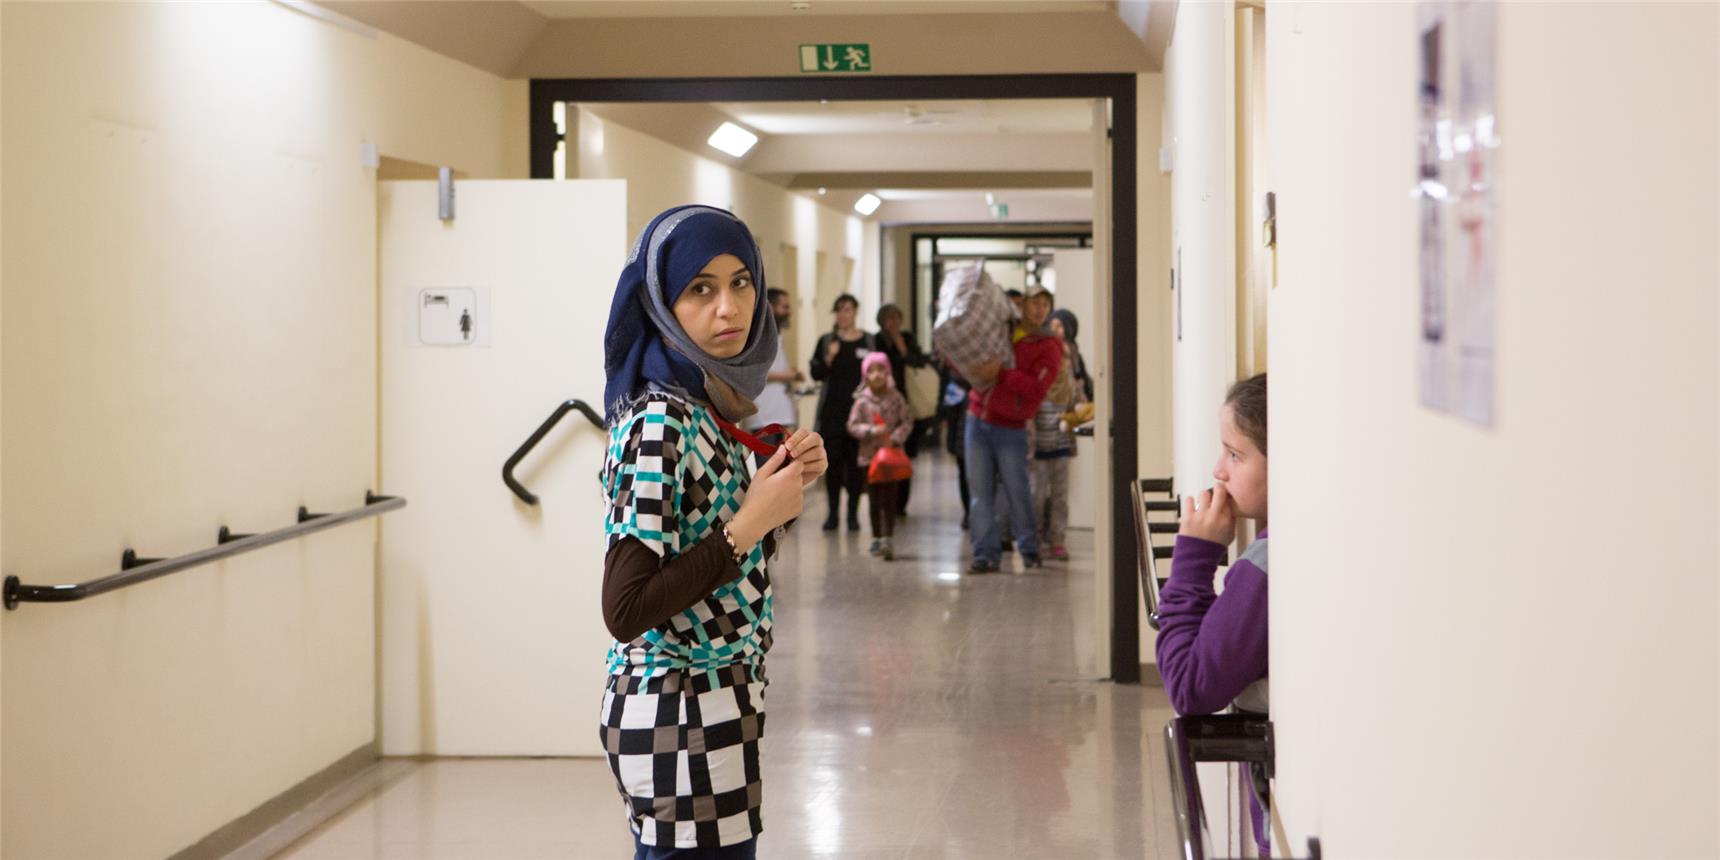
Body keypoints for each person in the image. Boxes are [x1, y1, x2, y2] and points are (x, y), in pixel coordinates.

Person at [597, 204, 829, 860]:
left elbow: (723, 564)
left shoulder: (705, 405)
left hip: (720, 703)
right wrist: (750, 520)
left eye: (741, 283)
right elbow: (626, 606)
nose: (728, 308)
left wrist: (780, 490)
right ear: (663, 304)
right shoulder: (658, 424)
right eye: (700, 289)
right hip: (676, 712)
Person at [1154, 372, 1269, 857]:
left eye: (1235, 454)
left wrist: (1194, 558)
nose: (1218, 470)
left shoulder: (1265, 570)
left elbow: (1189, 686)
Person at [963, 283, 1061, 573]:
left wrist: (1002, 373)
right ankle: (985, 554)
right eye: (1034, 303)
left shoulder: (1049, 346)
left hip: (1012, 427)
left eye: (1045, 304)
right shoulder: (1002, 330)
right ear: (1022, 305)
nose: (1039, 309)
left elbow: (1035, 388)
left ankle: (1029, 548)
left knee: (1017, 490)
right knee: (979, 492)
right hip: (977, 419)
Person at [810, 294, 874, 532]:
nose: (844, 314)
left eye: (848, 309)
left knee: (856, 466)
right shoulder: (827, 341)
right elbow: (816, 374)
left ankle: (853, 515)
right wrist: (829, 357)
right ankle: (833, 513)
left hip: (859, 414)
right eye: (839, 310)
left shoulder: (868, 342)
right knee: (833, 466)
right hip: (833, 413)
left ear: (855, 312)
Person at [846, 351, 913, 560]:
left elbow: (907, 421)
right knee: (874, 499)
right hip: (869, 457)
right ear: (865, 376)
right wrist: (870, 431)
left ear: (888, 373)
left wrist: (895, 437)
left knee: (890, 498)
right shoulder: (862, 401)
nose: (876, 375)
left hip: (891, 456)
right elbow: (852, 425)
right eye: (871, 371)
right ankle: (876, 537)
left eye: (881, 370)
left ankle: (888, 538)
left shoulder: (896, 398)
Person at [1032, 307, 1086, 562]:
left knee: (1060, 495)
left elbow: (1081, 401)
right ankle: (1037, 538)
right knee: (1038, 494)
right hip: (1039, 444)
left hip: (1062, 443)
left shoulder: (1071, 380)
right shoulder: (1039, 380)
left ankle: (1057, 540)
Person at [874, 303, 929, 515]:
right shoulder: (877, 341)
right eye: (889, 318)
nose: (894, 322)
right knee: (882, 453)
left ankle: (901, 503)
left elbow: (918, 363)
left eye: (897, 317)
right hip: (883, 404)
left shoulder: (907, 338)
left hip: (906, 404)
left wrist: (902, 347)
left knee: (903, 453)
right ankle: (884, 500)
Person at [744, 287, 802, 433]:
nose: (789, 312)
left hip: (779, 411)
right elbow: (755, 372)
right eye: (785, 307)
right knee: (767, 456)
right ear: (771, 307)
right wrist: (788, 376)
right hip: (766, 413)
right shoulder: (759, 335)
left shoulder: (775, 335)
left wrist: (789, 373)